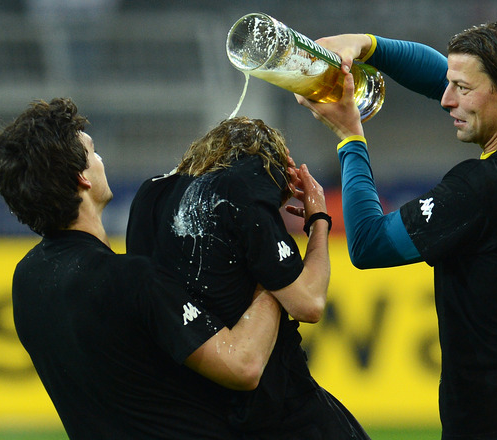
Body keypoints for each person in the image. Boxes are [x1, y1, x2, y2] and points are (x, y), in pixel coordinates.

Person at [296, 22, 497, 440]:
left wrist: (349, 137)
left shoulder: (484, 187)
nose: (447, 99)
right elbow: (441, 77)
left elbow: (367, 244)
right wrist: (367, 45)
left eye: (462, 89)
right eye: (451, 84)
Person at [0, 98, 284, 439]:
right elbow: (243, 365)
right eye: (93, 152)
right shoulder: (129, 279)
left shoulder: (26, 278)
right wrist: (271, 276)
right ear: (82, 177)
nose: (101, 160)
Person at [126, 116, 371, 439]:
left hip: (192, 409)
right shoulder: (246, 178)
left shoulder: (150, 194)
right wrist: (319, 221)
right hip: (275, 407)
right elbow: (308, 303)